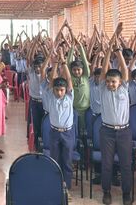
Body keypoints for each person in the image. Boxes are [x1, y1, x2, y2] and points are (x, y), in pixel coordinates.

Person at [97, 26, 132, 205]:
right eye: (109, 81)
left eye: (114, 82)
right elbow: (104, 71)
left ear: (120, 82)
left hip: (124, 131)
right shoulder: (103, 88)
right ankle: (107, 191)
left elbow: (124, 70)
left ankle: (127, 193)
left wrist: (118, 51)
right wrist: (109, 48)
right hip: (107, 132)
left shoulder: (124, 87)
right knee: (107, 164)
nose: (111, 84)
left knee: (126, 164)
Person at [43, 49, 76, 201]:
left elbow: (68, 79)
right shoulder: (50, 96)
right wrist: (55, 64)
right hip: (54, 133)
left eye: (61, 90)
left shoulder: (69, 97)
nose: (59, 93)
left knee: (67, 162)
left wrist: (63, 62)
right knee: (55, 161)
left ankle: (66, 189)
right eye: (57, 90)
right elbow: (51, 80)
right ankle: (55, 187)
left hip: (68, 133)